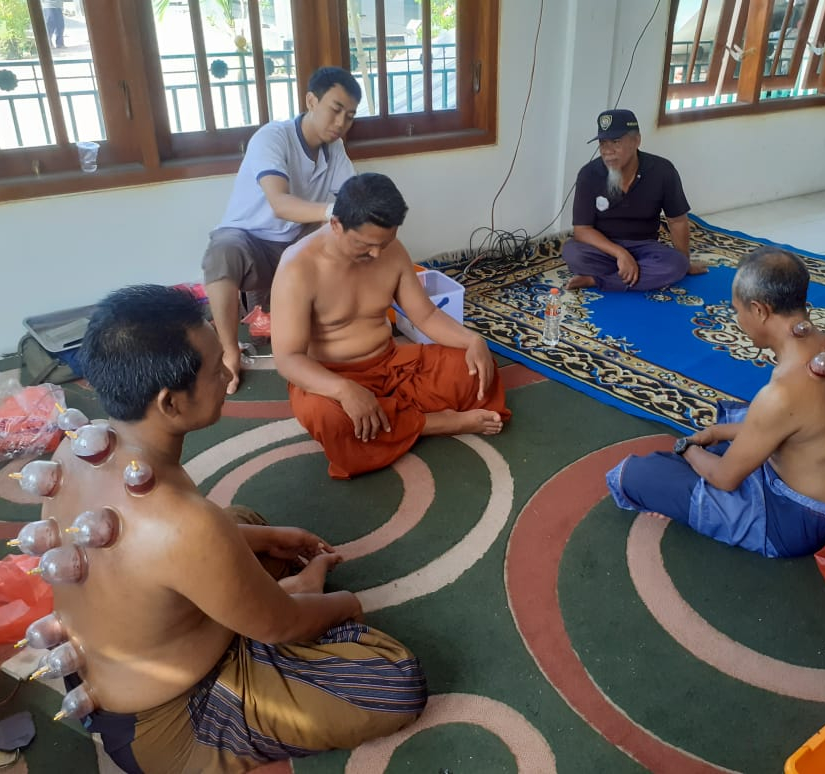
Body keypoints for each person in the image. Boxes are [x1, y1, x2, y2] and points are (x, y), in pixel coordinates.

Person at [48, 285, 426, 773]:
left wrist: (267, 542)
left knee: (244, 523)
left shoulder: (75, 448)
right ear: (170, 403)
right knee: (393, 680)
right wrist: (336, 599)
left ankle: (261, 597)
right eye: (215, 368)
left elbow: (145, 553)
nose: (230, 370)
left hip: (95, 674)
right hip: (167, 720)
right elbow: (282, 623)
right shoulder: (184, 524)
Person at [606, 246, 825, 557]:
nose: (737, 319)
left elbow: (724, 479)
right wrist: (716, 434)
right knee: (732, 422)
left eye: (737, 310)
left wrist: (688, 448)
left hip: (793, 521)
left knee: (635, 475)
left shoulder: (782, 394)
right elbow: (808, 427)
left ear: (759, 311)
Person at [272, 173, 511, 480]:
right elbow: (288, 359)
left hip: (393, 364)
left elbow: (424, 315)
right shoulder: (297, 268)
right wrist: (344, 390)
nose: (375, 254)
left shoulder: (390, 250)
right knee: (331, 420)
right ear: (336, 224)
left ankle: (397, 421)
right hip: (330, 377)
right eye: (365, 244)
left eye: (384, 243)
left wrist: (471, 340)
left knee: (476, 369)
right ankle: (439, 423)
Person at [202, 66, 362, 395]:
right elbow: (280, 202)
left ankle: (333, 330)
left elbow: (354, 195)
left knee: (346, 238)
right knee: (222, 252)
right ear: (311, 100)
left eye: (349, 116)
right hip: (251, 240)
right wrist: (336, 212)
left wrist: (368, 215)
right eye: (335, 110)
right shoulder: (273, 137)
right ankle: (230, 351)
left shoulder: (335, 151)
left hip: (294, 239)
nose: (340, 124)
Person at [563, 108, 706, 292]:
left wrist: (685, 262)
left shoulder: (662, 171)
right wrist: (620, 253)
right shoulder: (589, 174)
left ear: (636, 140)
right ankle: (633, 272)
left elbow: (677, 220)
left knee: (676, 264)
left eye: (616, 142)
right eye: (602, 143)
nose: (607, 151)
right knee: (573, 253)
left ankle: (597, 281)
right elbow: (582, 230)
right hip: (604, 247)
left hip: (645, 247)